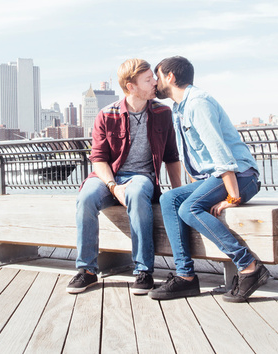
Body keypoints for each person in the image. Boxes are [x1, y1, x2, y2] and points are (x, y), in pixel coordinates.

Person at [148, 56, 267, 303]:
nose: (155, 82)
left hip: (241, 175)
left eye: (157, 76)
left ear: (170, 77)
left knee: (189, 208)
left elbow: (220, 153)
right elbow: (194, 158)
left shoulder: (198, 104)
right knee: (170, 198)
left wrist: (233, 197)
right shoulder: (178, 108)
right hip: (216, 176)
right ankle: (186, 277)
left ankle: (249, 266)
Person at [67, 58, 182, 295]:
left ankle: (143, 271)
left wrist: (179, 190)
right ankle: (86, 271)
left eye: (154, 77)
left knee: (138, 192)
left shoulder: (162, 112)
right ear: (131, 86)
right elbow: (98, 159)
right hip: (110, 175)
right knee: (86, 197)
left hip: (141, 177)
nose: (155, 83)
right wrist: (112, 186)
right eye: (148, 79)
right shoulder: (105, 115)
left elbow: (171, 156)